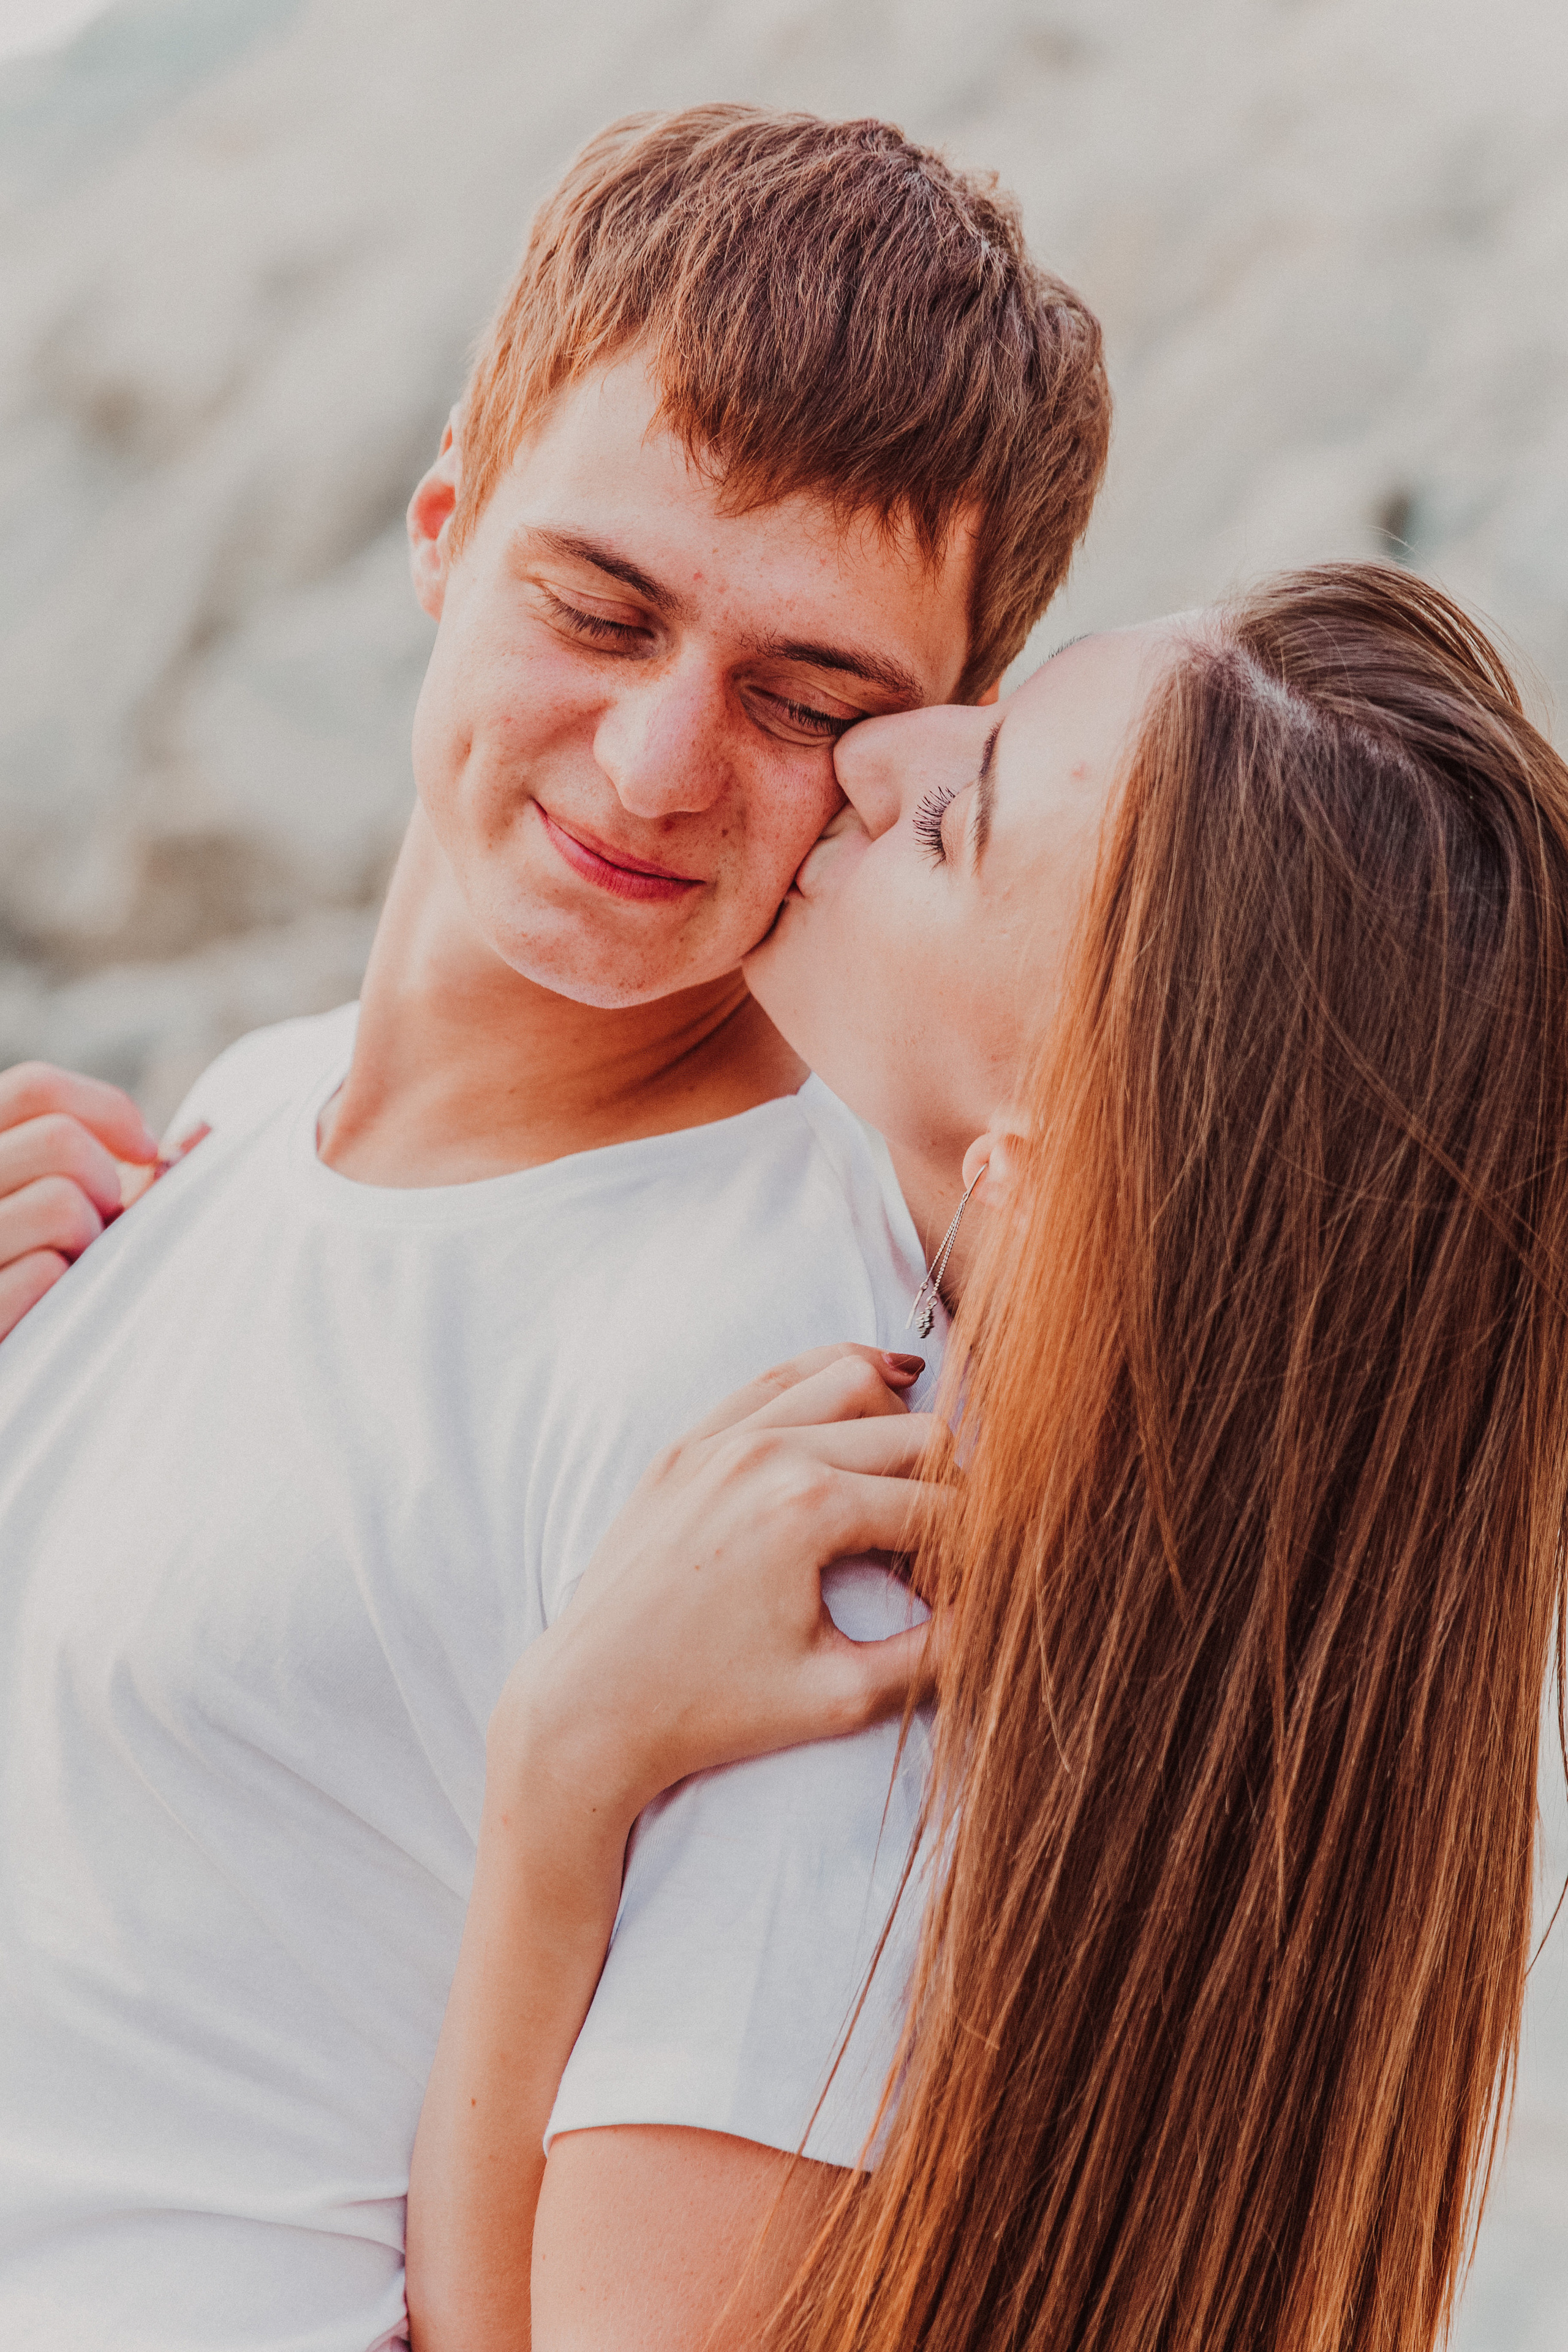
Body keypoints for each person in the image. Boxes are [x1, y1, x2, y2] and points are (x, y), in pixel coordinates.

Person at [0, 108, 1110, 2351]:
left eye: (815, 703)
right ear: (441, 525)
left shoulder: (803, 1397)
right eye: (598, 609)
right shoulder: (241, 1113)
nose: (656, 763)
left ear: (939, 746)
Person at [399, 563, 1568, 2352]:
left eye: (959, 817)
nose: (881, 754)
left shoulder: (844, 1706)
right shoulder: (1209, 1736)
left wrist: (558, 1783)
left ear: (1045, 1176)